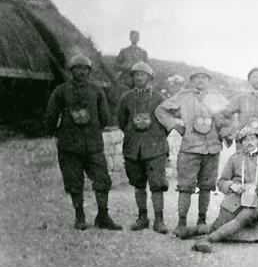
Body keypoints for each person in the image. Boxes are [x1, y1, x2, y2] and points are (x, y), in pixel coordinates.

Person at [45, 54, 122, 231]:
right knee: (74, 181)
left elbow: (104, 117)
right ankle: (79, 216)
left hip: (93, 145)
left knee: (102, 179)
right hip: (69, 146)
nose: (81, 72)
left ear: (89, 71)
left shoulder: (96, 91)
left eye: (85, 68)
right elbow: (50, 115)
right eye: (77, 68)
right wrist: (58, 132)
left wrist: (92, 130)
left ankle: (103, 215)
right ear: (71, 71)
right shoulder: (61, 91)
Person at [177, 126, 258, 253]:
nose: (249, 142)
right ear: (241, 143)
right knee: (218, 225)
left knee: (241, 219)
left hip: (256, 202)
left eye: (252, 139)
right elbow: (221, 182)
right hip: (235, 198)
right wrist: (232, 186)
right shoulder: (235, 158)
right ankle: (191, 231)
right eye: (245, 140)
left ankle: (206, 240)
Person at [155, 68, 231, 234]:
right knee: (185, 186)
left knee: (207, 186)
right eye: (197, 78)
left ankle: (202, 220)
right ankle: (181, 221)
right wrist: (175, 126)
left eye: (204, 78)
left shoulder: (217, 97)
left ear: (209, 80)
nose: (201, 81)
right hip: (190, 147)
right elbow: (160, 110)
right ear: (192, 80)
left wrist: (225, 132)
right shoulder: (184, 96)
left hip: (211, 147)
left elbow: (231, 114)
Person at [118, 62, 169, 234]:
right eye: (136, 75)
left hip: (155, 149)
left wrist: (156, 137)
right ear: (132, 78)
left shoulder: (159, 98)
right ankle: (142, 218)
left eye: (143, 75)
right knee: (138, 184)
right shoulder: (126, 98)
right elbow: (122, 122)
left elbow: (167, 123)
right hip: (133, 148)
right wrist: (134, 136)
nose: (139, 78)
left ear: (149, 77)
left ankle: (159, 220)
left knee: (157, 184)